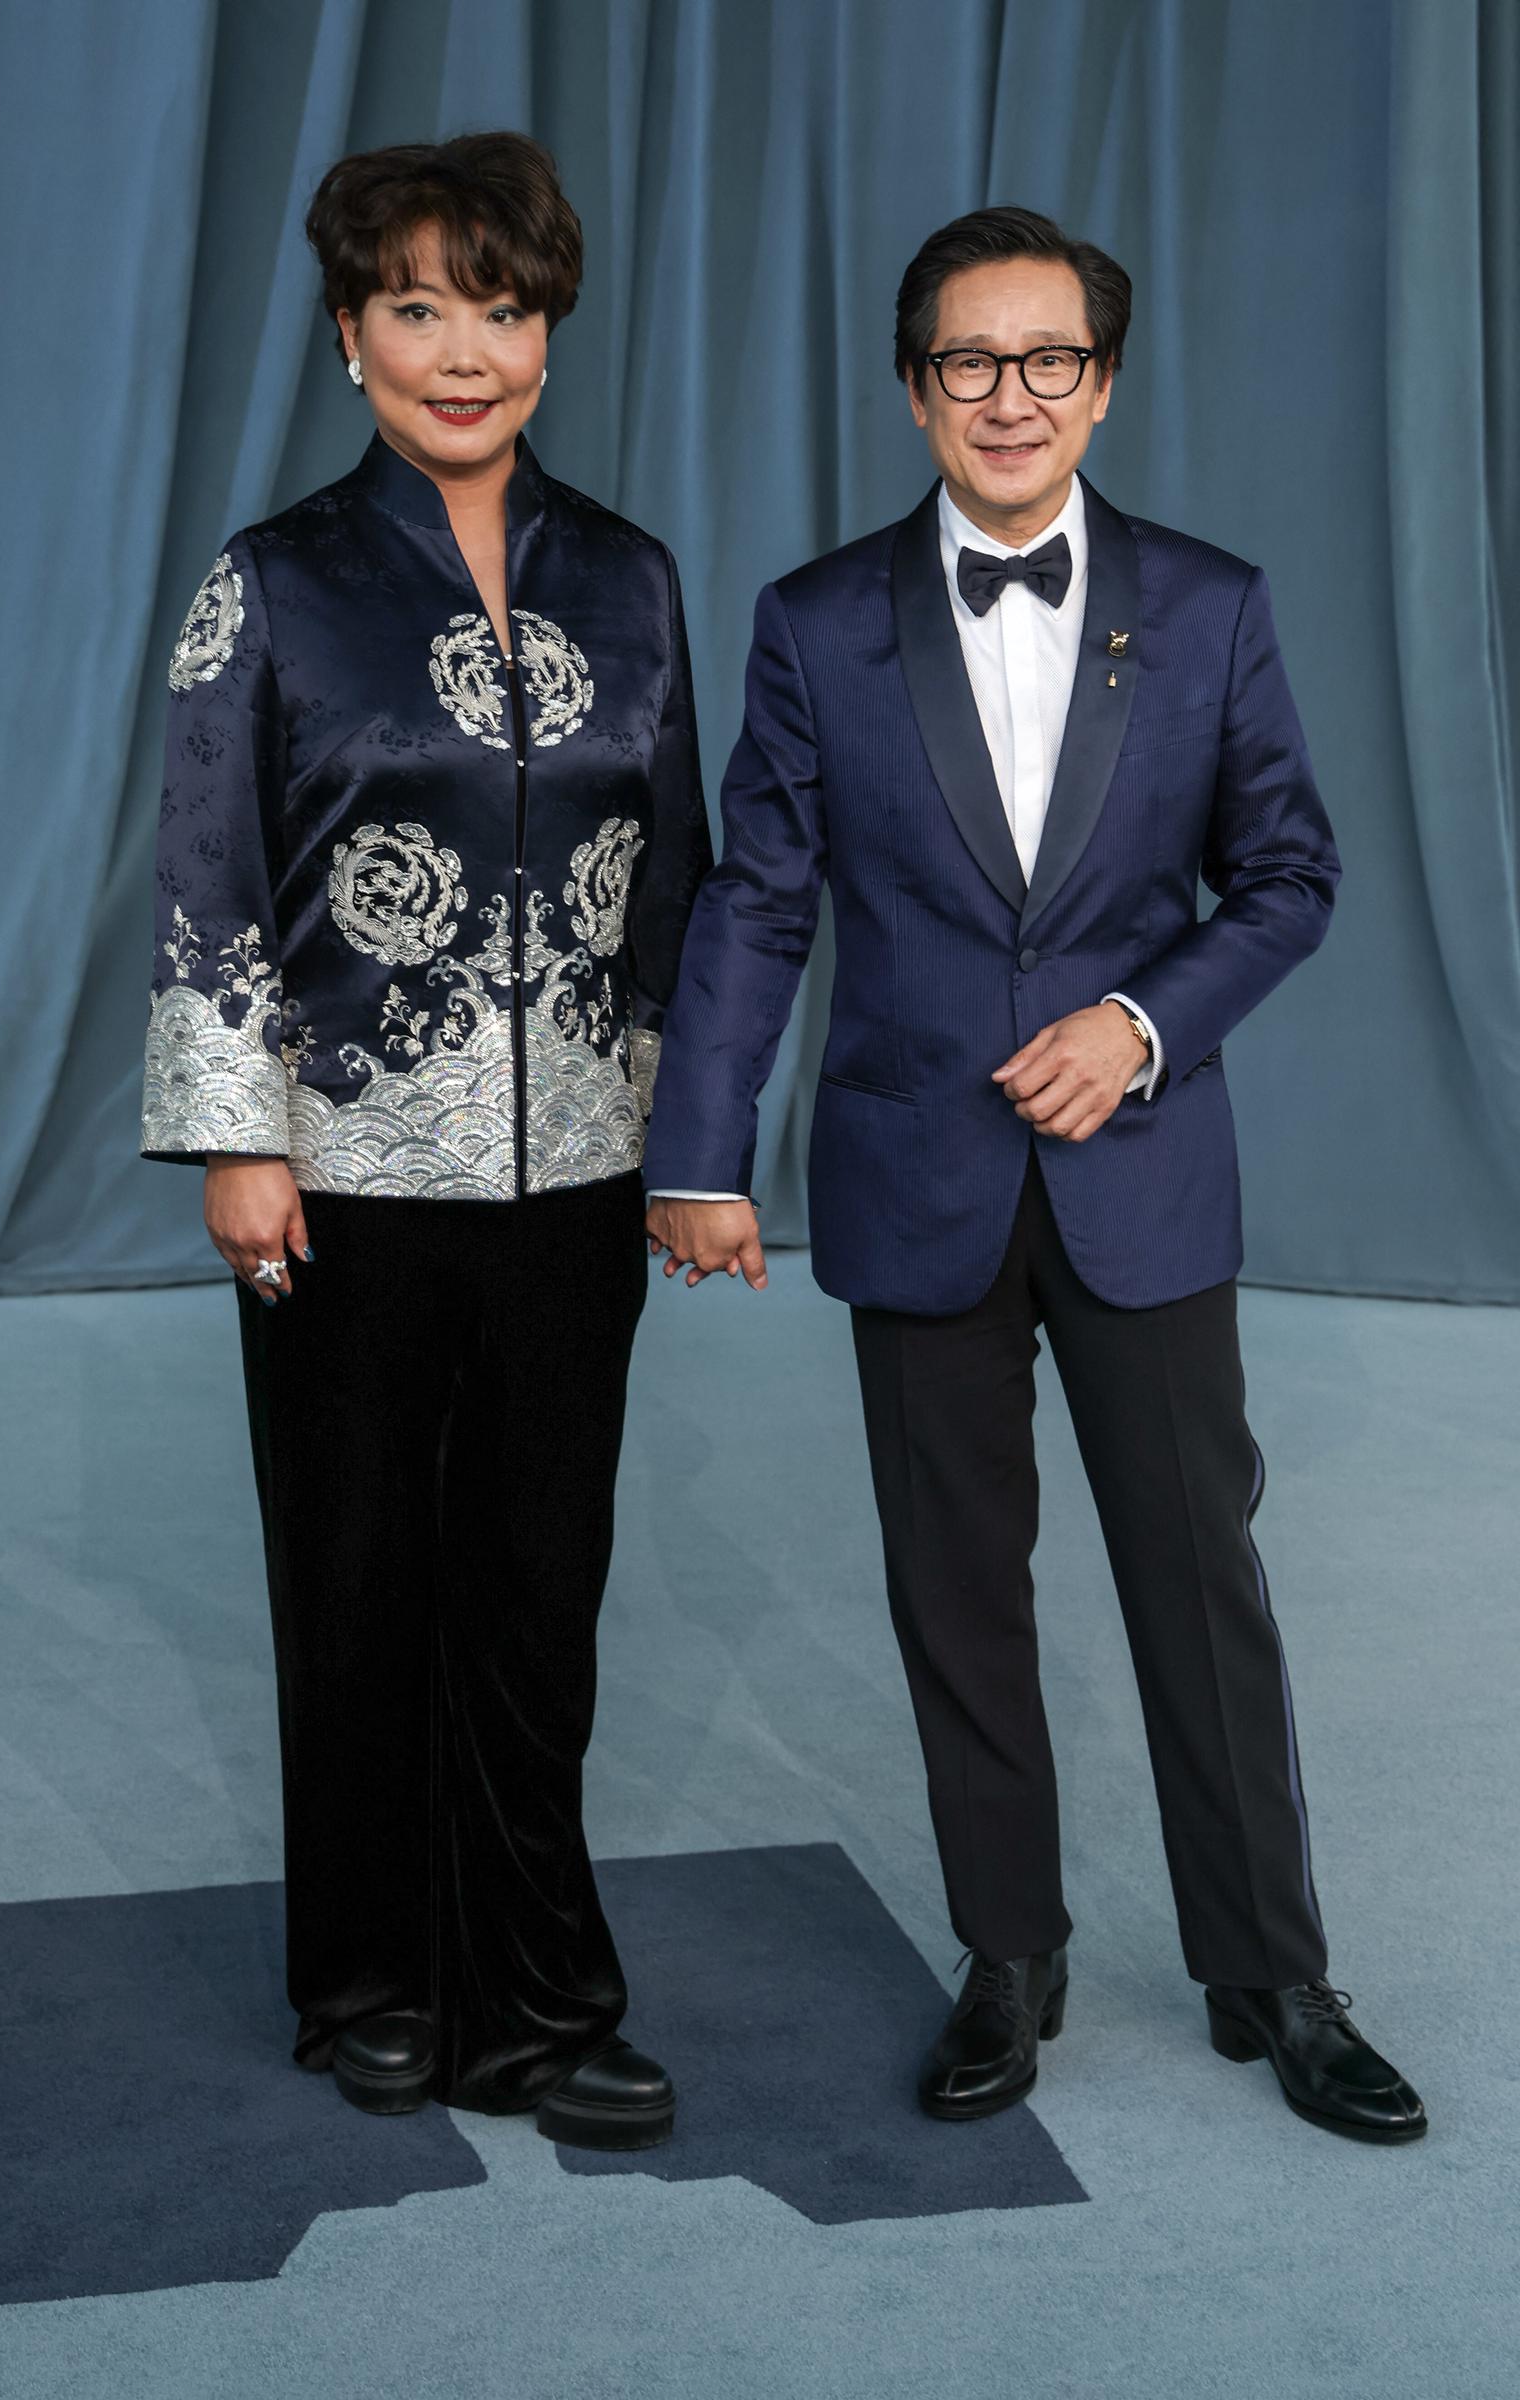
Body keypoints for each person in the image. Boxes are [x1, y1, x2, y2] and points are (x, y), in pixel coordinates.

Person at [643, 206, 1425, 2144]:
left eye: (1046, 358)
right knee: (952, 1591)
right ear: (914, 388)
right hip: (913, 1177)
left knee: (1194, 1579)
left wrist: (1138, 1025)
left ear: (1101, 379)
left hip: (1138, 1174)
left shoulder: (1212, 603)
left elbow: (1285, 875)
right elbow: (755, 903)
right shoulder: (816, 618)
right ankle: (1006, 1955)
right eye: (969, 363)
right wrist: (695, 1152)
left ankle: (1271, 1972)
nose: (1009, 395)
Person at [142, 131, 710, 2147]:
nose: (460, 349)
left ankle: (547, 1997)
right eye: (416, 304)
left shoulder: (629, 574)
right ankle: (369, 1976)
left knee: (539, 1584)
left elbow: (678, 890)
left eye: (502, 304)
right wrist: (239, 1141)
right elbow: (209, 865)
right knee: (363, 1579)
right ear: (345, 334)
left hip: (579, 1173)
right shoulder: (276, 581)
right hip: (342, 1176)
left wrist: (698, 1138)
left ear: (547, 332)